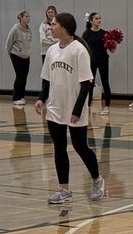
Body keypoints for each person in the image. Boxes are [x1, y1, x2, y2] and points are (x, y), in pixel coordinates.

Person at [38, 13, 105, 204]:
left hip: (74, 109)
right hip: (55, 108)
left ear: (64, 27)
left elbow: (86, 84)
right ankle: (64, 189)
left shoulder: (79, 50)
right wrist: (41, 99)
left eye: (54, 24)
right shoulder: (51, 50)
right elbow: (46, 79)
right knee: (59, 147)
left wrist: (77, 110)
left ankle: (97, 179)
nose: (51, 27)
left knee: (79, 146)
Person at [82, 12, 111, 117]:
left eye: (100, 18)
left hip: (103, 60)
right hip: (91, 61)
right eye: (96, 18)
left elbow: (111, 49)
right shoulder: (86, 34)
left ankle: (107, 107)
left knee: (105, 82)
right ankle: (88, 105)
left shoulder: (105, 33)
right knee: (90, 83)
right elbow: (82, 48)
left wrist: (113, 44)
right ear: (91, 21)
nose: (99, 20)